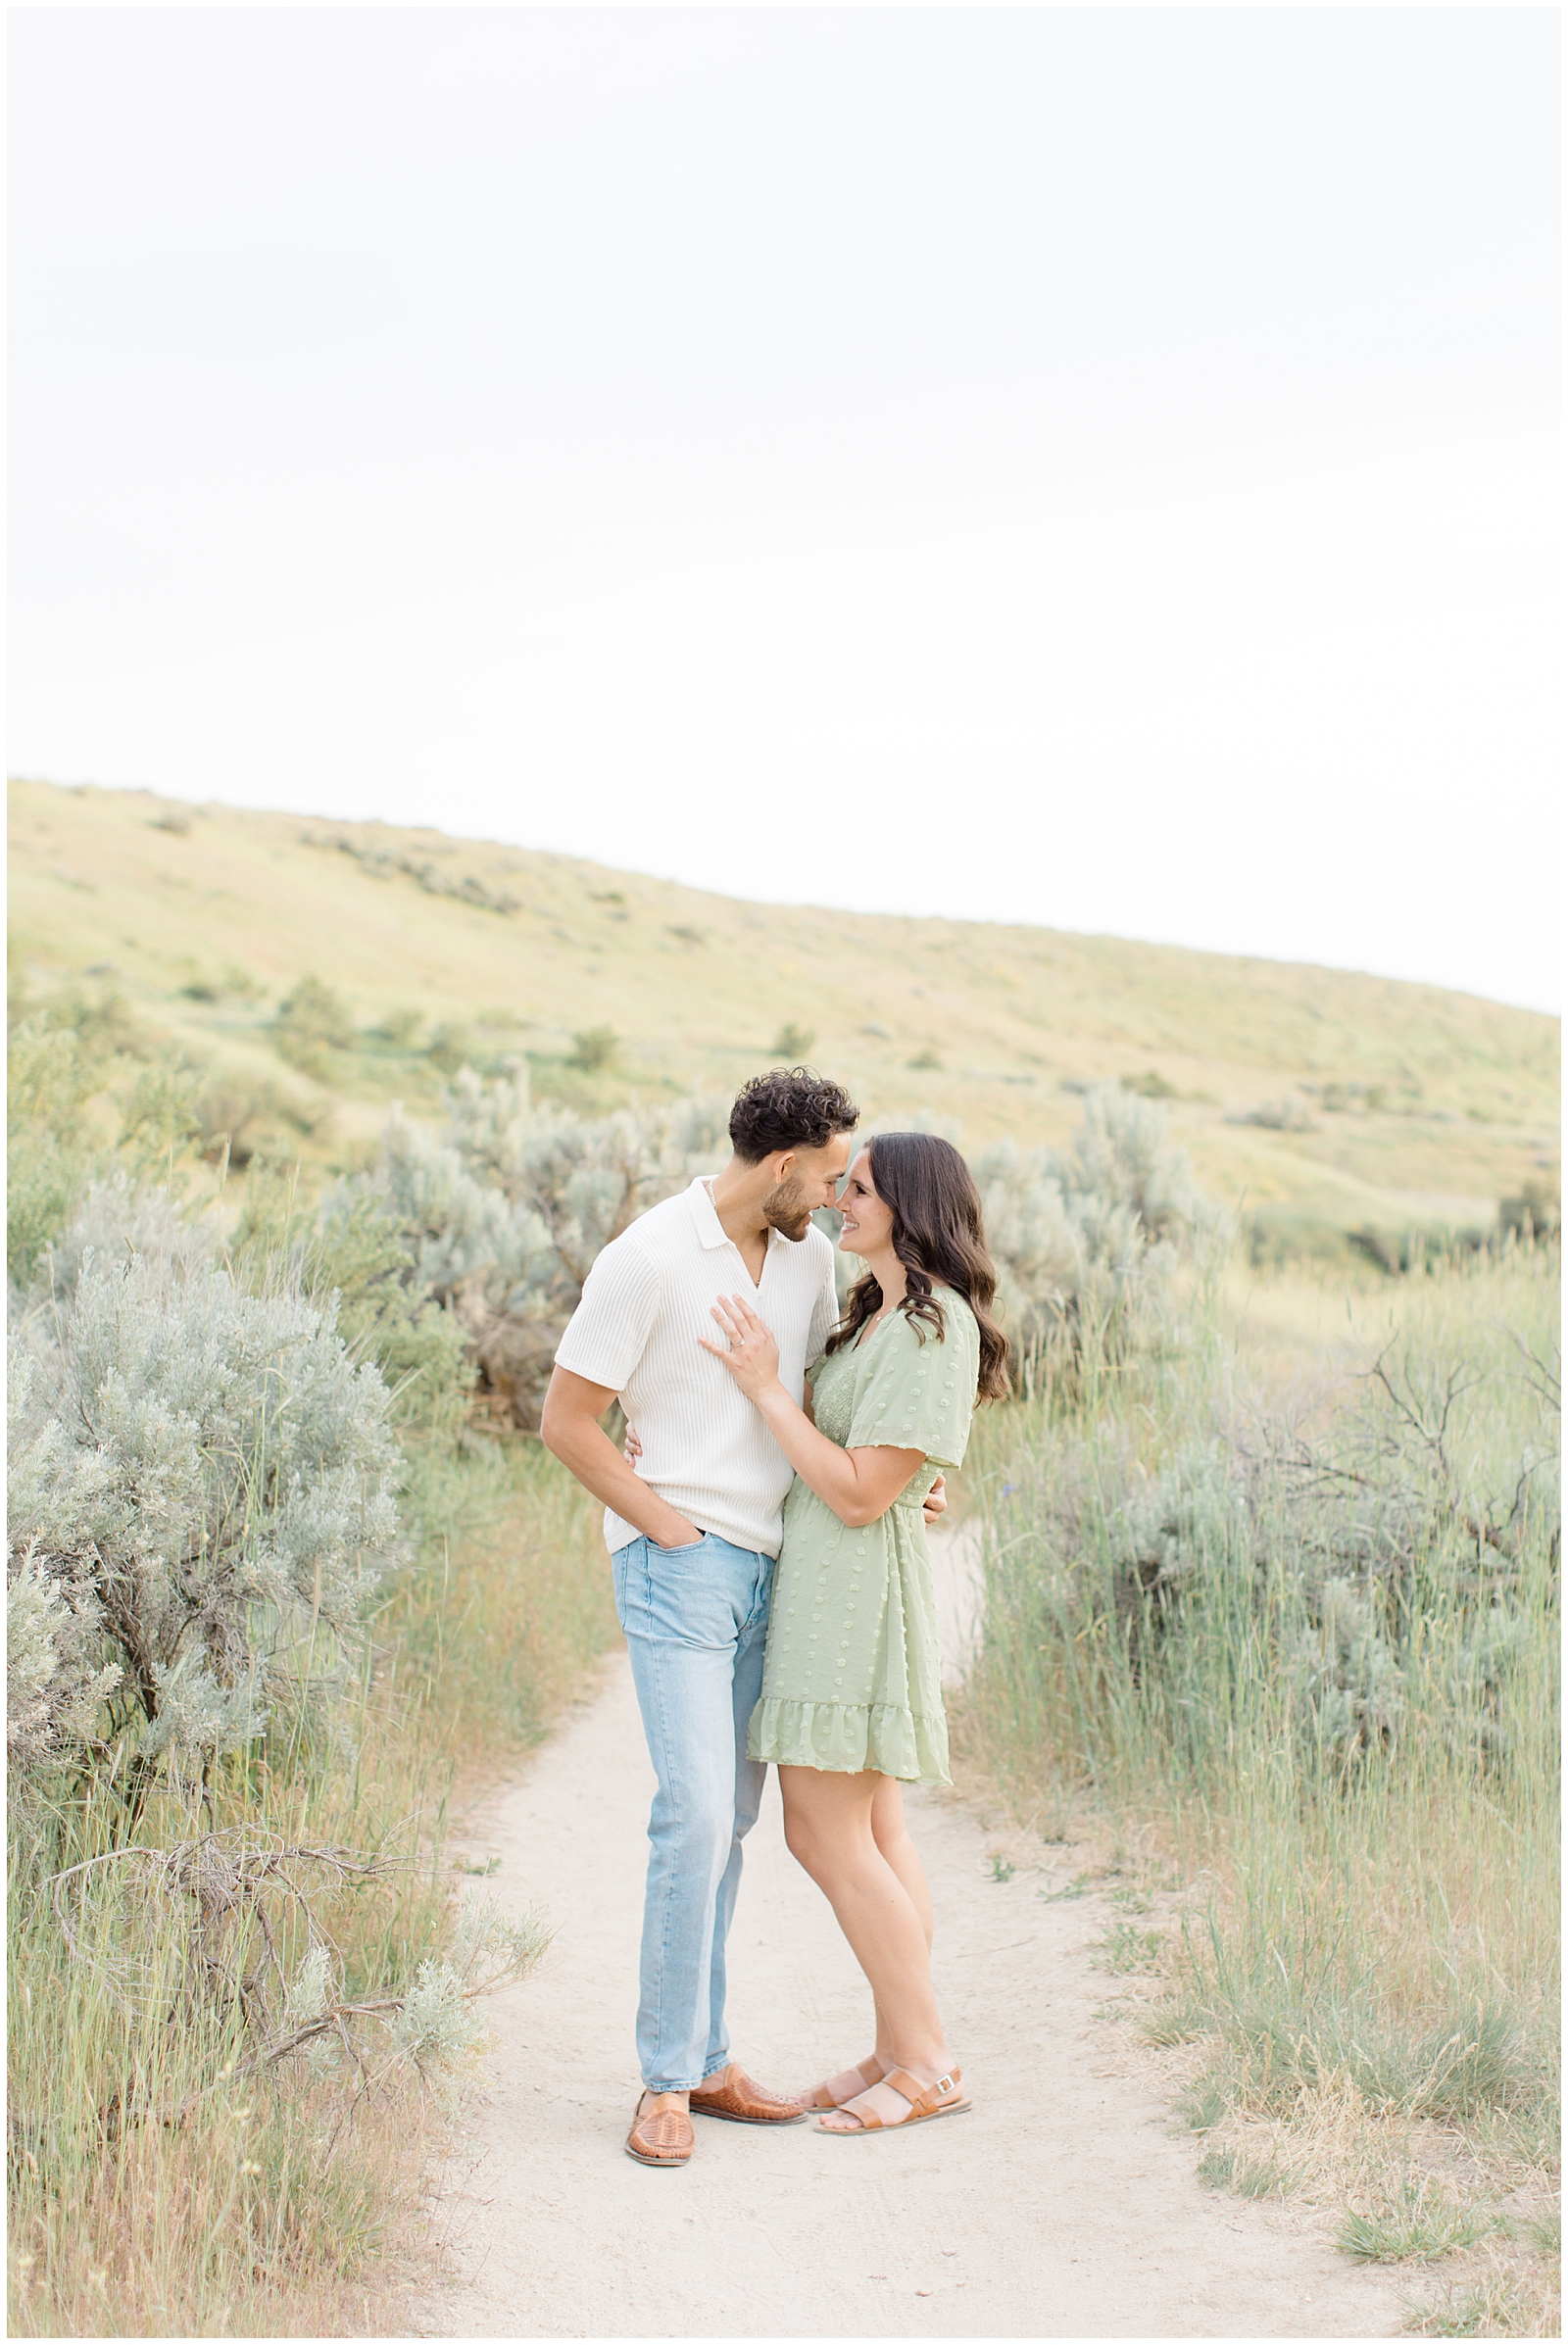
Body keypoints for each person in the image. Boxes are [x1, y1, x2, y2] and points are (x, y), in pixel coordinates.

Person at [542, 1067, 941, 2169]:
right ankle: (665, 2080)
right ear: (778, 1166)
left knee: (730, 1827)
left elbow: (816, 1401)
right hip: (681, 1565)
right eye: (822, 1175)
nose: (830, 1196)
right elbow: (566, 1420)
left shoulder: (810, 1258)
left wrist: (907, 1478)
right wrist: (662, 1526)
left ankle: (710, 2058)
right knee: (695, 1811)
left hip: (782, 1570)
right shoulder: (648, 1255)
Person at [699, 1130, 1009, 2135]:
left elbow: (861, 1492)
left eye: (860, 1188)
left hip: (854, 1599)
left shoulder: (931, 1325)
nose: (838, 1199)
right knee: (875, 1832)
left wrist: (761, 1389)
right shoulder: (878, 1313)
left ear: (911, 1207)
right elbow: (879, 1469)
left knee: (822, 1831)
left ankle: (925, 2060)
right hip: (835, 1586)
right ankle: (899, 2043)